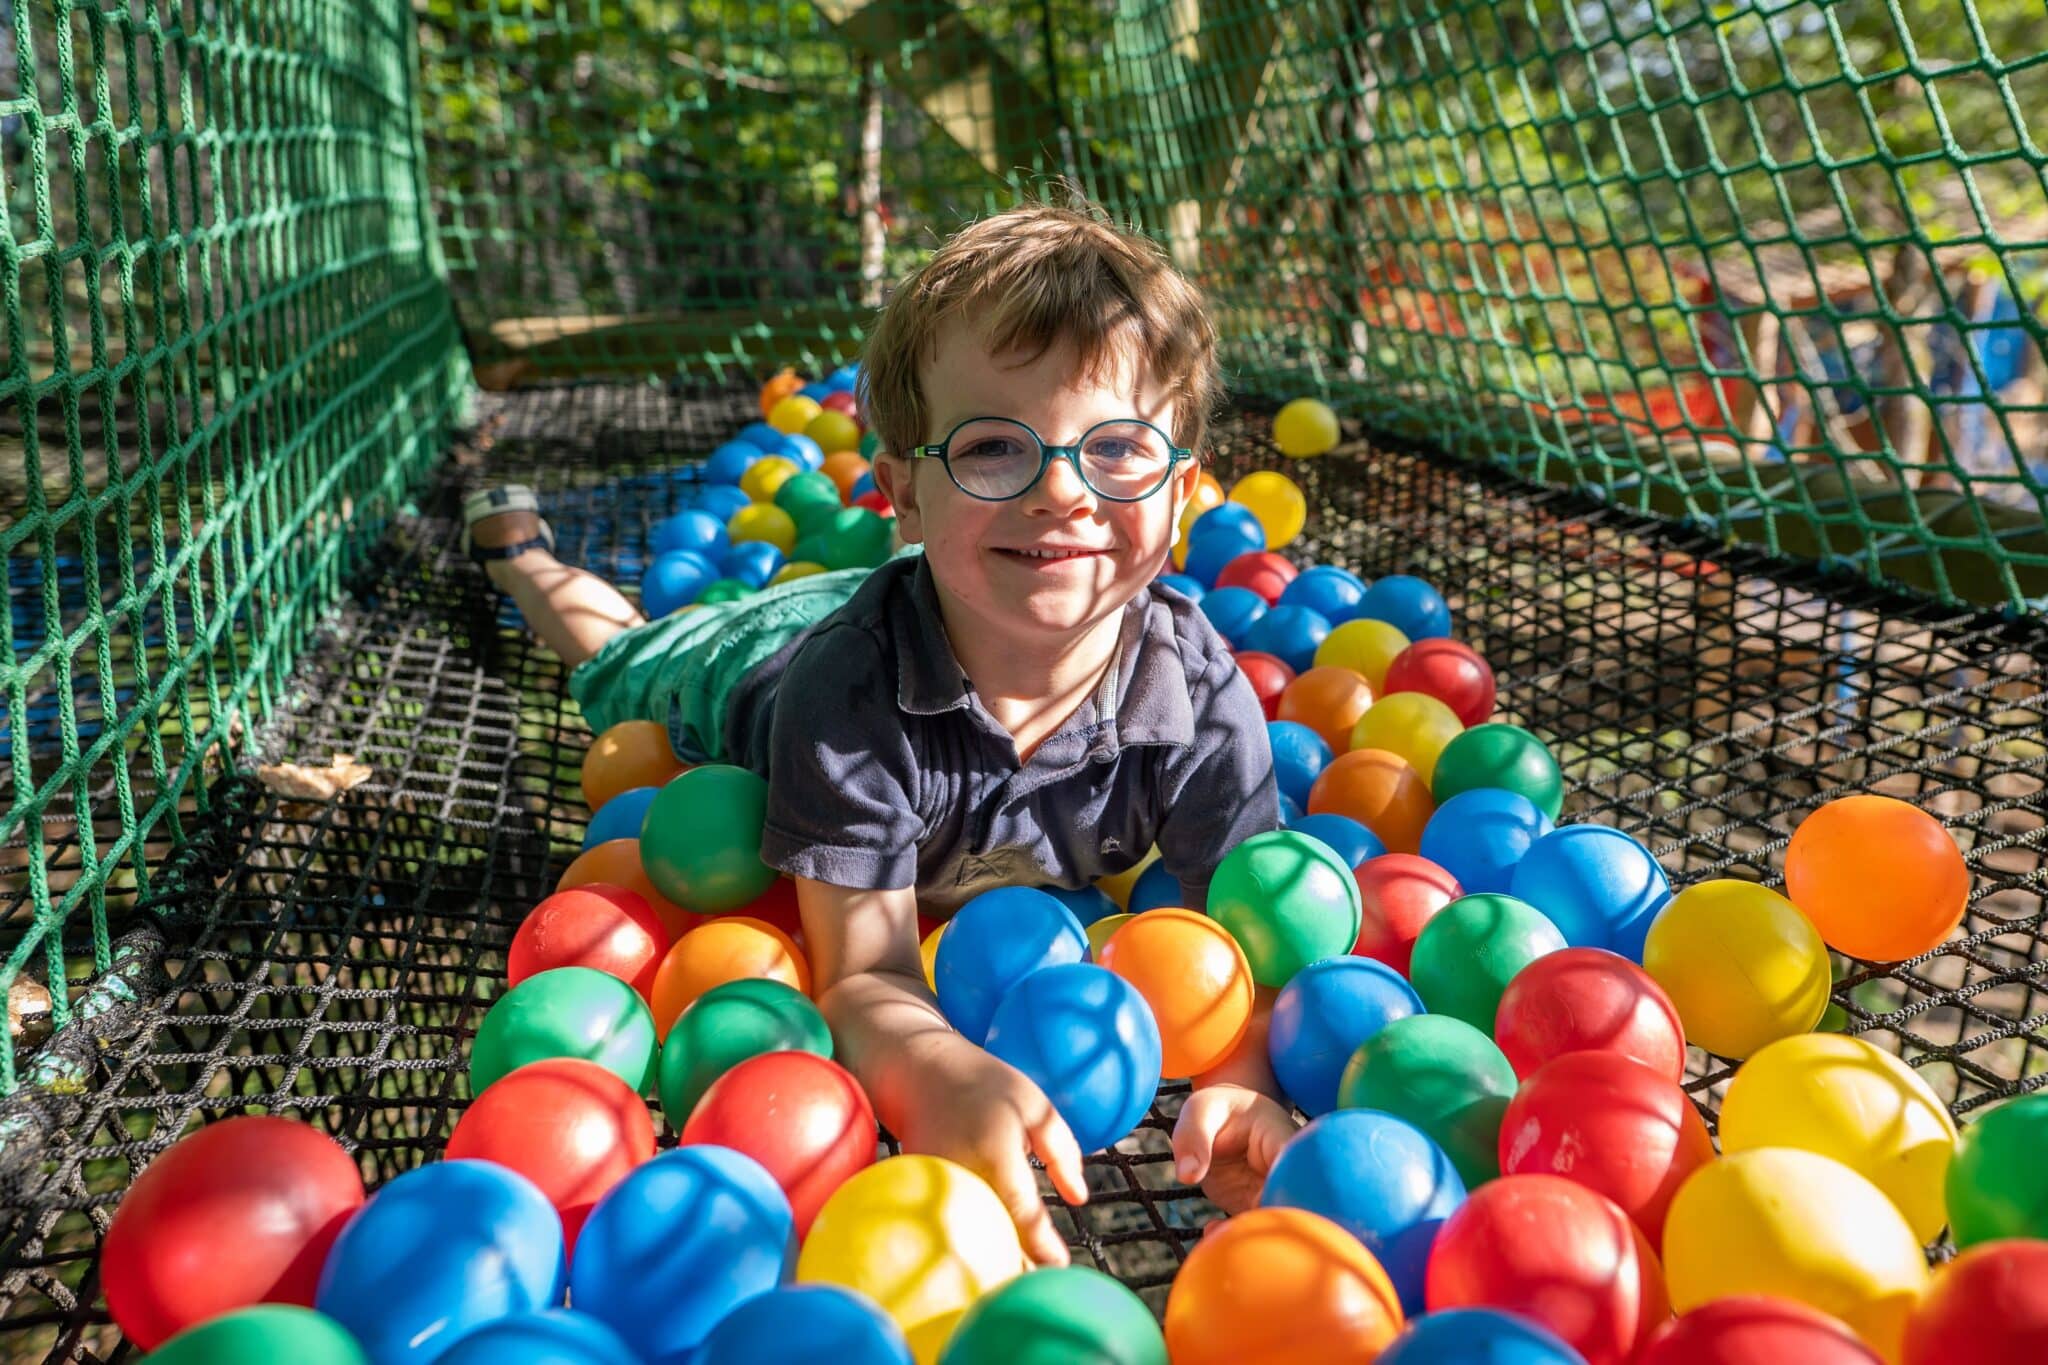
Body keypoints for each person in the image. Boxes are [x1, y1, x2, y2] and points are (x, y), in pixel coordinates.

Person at [465, 197, 1293, 1265]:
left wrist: (1242, 1074)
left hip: (923, 599)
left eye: (1119, 450)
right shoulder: (845, 703)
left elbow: (1252, 928)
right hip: (759, 662)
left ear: (1180, 495)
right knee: (624, 657)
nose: (1060, 490)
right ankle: (524, 554)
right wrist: (935, 1068)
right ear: (899, 492)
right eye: (995, 448)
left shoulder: (1200, 695)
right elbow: (862, 974)